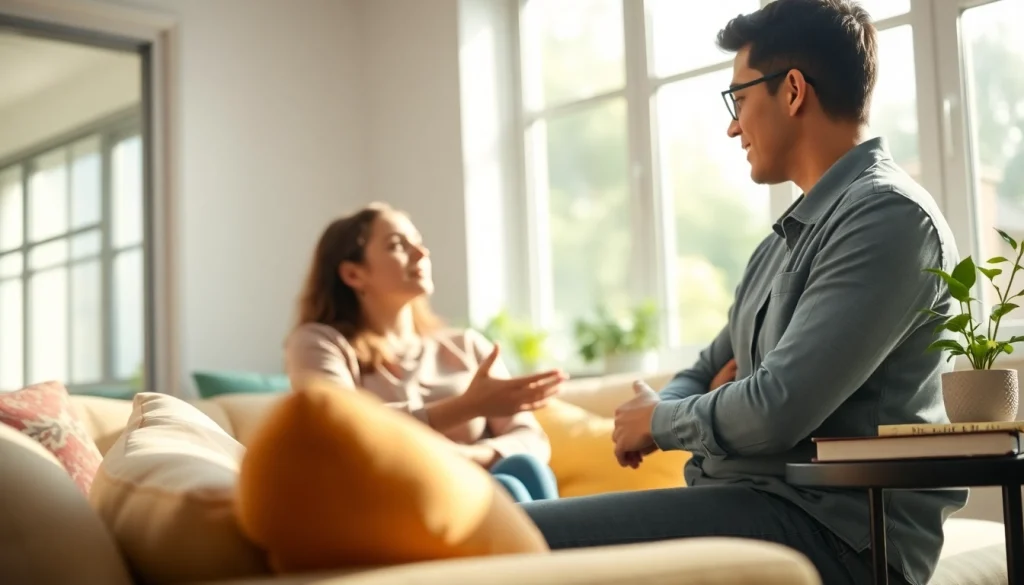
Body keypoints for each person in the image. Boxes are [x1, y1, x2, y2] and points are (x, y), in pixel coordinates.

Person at [521, 1, 967, 584]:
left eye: (739, 98)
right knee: (503, 530)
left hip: (838, 537)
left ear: (793, 91)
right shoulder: (781, 244)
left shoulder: (886, 217)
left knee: (513, 535)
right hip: (749, 505)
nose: (733, 126)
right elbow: (703, 369)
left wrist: (660, 421)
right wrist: (672, 409)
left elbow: (775, 408)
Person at [284, 202, 566, 503]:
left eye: (418, 242)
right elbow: (340, 426)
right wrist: (467, 406)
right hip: (391, 499)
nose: (421, 253)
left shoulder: (466, 345)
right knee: (509, 489)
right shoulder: (318, 343)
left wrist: (465, 456)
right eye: (397, 245)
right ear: (354, 274)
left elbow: (532, 439)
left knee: (523, 470)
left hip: (479, 487)